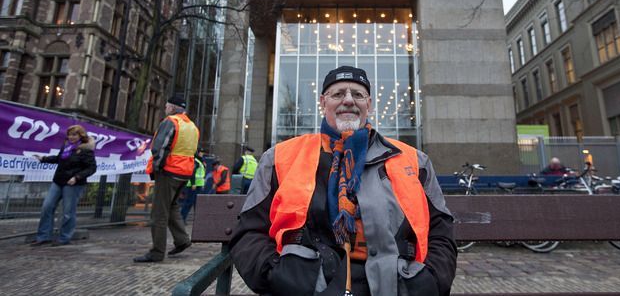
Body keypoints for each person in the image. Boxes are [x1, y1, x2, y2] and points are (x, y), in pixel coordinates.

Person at [230, 66, 457, 296]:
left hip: (397, 286)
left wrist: (429, 283)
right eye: (338, 94)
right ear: (323, 102)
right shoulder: (279, 158)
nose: (348, 100)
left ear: (369, 104)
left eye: (357, 94)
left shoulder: (414, 161)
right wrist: (278, 277)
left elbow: (441, 232)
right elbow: (250, 231)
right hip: (306, 287)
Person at [134, 95, 200, 263]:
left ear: (171, 108)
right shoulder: (192, 126)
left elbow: (160, 147)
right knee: (172, 207)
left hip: (169, 171)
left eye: (166, 106)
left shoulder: (170, 121)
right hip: (184, 172)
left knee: (159, 213)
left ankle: (157, 252)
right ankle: (182, 240)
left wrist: (157, 168)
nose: (165, 109)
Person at [30, 125, 96, 246]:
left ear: (81, 135)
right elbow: (58, 159)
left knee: (68, 211)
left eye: (74, 134)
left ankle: (64, 238)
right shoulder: (66, 147)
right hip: (59, 181)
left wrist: (77, 177)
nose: (71, 137)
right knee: (47, 207)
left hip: (73, 184)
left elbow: (91, 168)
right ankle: (44, 236)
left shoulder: (86, 150)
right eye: (70, 134)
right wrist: (44, 159)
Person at [180, 148, 206, 222]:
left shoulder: (200, 161)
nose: (202, 153)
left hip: (198, 185)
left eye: (203, 152)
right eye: (201, 152)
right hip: (193, 185)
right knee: (189, 202)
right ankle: (182, 218)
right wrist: (193, 183)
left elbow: (201, 174)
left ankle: (197, 219)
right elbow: (192, 172)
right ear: (197, 152)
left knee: (197, 203)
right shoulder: (196, 161)